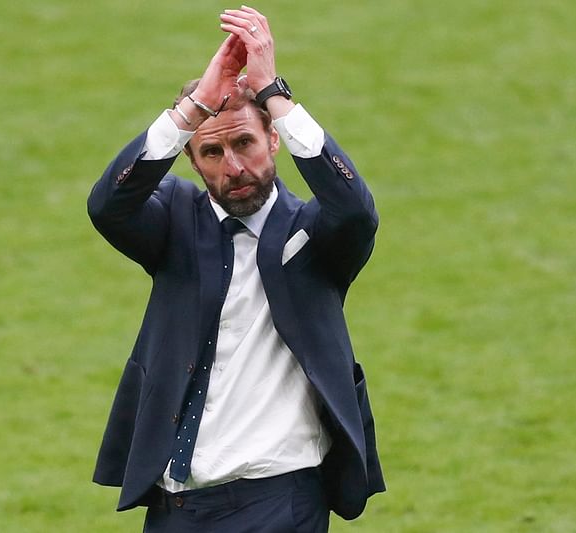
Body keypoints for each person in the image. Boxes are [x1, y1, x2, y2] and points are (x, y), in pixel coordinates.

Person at [87, 6, 385, 532]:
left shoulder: (316, 233)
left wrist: (275, 93)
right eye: (212, 151)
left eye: (244, 142)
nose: (234, 167)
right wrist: (191, 109)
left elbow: (357, 210)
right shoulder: (174, 222)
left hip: (279, 498)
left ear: (272, 138)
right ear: (191, 160)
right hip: (176, 503)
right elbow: (108, 206)